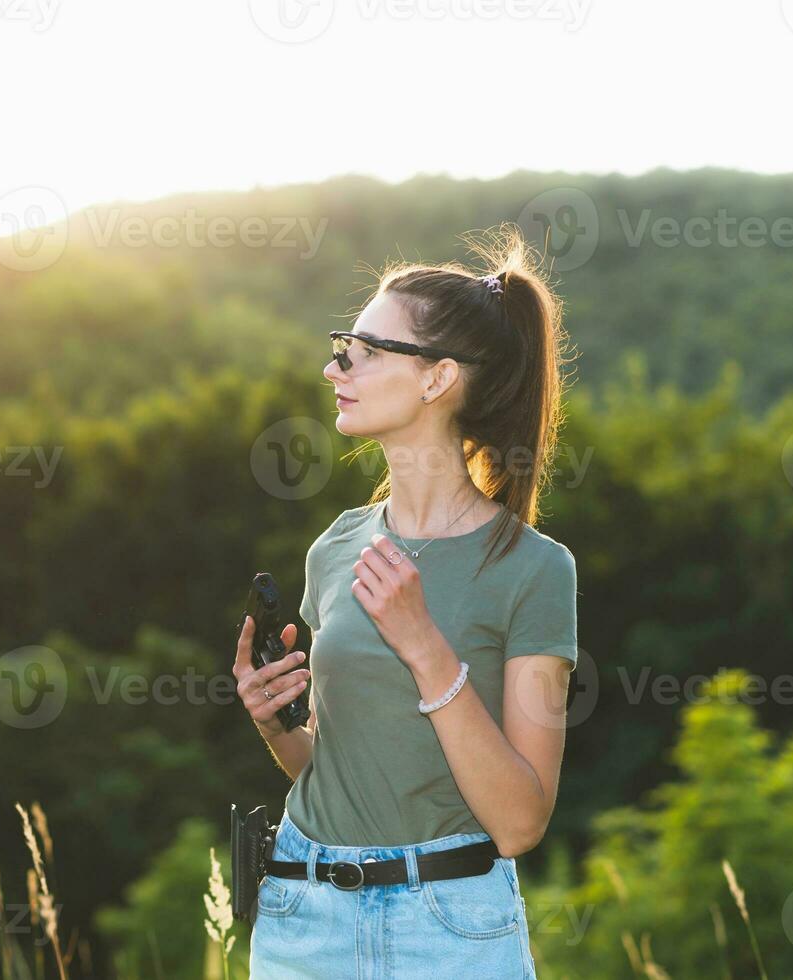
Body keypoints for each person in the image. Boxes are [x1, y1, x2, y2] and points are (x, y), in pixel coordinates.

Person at [234, 226, 577, 978]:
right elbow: (340, 774)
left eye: (364, 350)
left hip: (449, 931)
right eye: (340, 346)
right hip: (302, 919)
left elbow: (520, 822)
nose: (335, 367)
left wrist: (425, 648)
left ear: (437, 379)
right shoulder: (335, 547)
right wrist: (273, 721)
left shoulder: (534, 570)